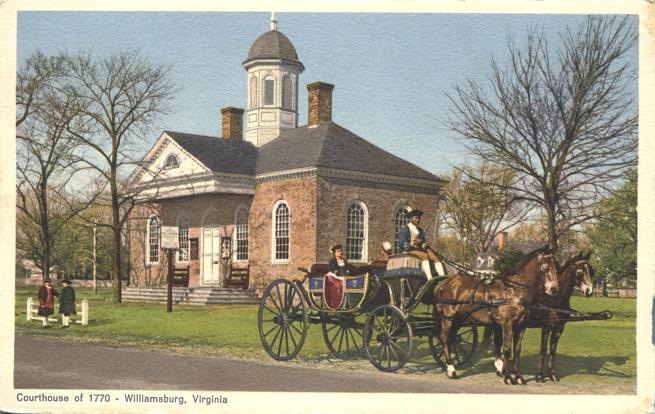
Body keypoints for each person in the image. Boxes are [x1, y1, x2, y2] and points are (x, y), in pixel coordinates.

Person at [397, 209, 444, 279]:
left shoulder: (420, 230)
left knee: (434, 257)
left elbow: (423, 243)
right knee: (424, 256)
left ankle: (442, 277)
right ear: (410, 219)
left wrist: (422, 243)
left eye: (419, 218)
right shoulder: (405, 229)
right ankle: (429, 278)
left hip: (419, 249)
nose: (418, 220)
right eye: (416, 218)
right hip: (410, 250)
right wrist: (412, 243)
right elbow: (402, 244)